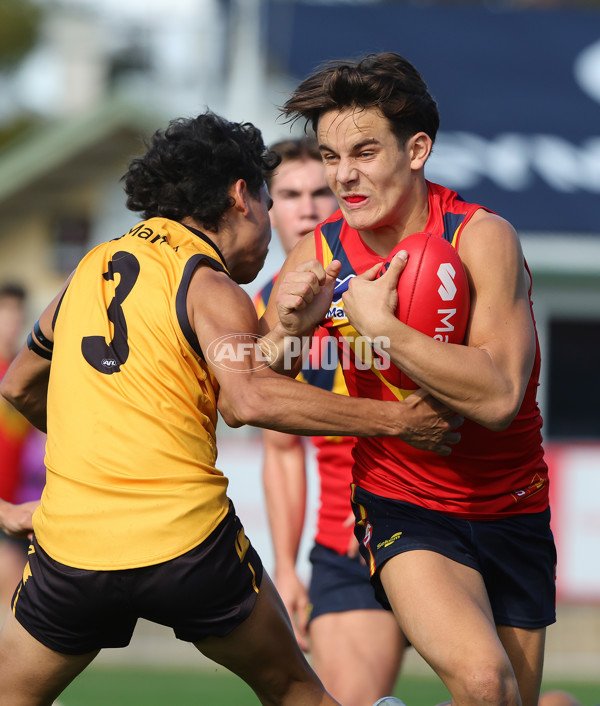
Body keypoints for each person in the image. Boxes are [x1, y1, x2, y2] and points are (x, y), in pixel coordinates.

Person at [0, 110, 461, 706]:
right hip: (185, 546)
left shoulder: (87, 271)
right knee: (296, 690)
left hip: (72, 550)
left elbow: (18, 386)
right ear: (241, 196)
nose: (272, 228)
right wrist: (400, 421)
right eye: (271, 201)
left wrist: (94, 460)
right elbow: (249, 399)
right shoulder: (208, 284)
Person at [260, 53, 556, 706]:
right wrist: (289, 329)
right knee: (482, 680)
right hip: (405, 507)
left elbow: (501, 395)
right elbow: (258, 389)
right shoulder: (319, 255)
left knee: (509, 700)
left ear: (416, 149)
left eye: (363, 153)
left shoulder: (481, 237)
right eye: (332, 157)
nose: (344, 176)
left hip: (514, 508)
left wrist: (382, 327)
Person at [256, 137, 406, 705]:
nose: (309, 208)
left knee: (494, 690)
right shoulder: (265, 312)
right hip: (346, 548)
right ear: (268, 208)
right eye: (290, 195)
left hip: (443, 518)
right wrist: (287, 570)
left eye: (321, 191)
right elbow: (281, 451)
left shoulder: (403, 276)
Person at [0, 284, 39, 619]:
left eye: (17, 315)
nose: (12, 323)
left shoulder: (23, 373)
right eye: (5, 314)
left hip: (16, 506)